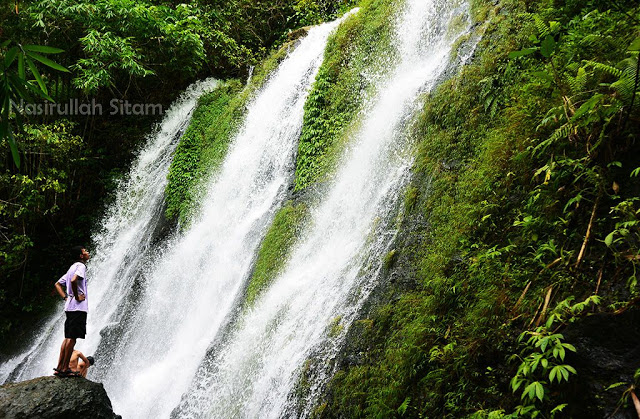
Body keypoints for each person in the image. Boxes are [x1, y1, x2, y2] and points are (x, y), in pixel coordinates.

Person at [53, 246, 90, 378]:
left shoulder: (71, 268)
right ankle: (65, 368)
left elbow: (57, 284)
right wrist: (76, 295)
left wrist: (65, 297)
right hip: (78, 307)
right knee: (72, 338)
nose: (87, 253)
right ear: (81, 256)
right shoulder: (81, 266)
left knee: (68, 338)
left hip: (69, 307)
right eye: (85, 251)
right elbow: (74, 280)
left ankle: (59, 367)